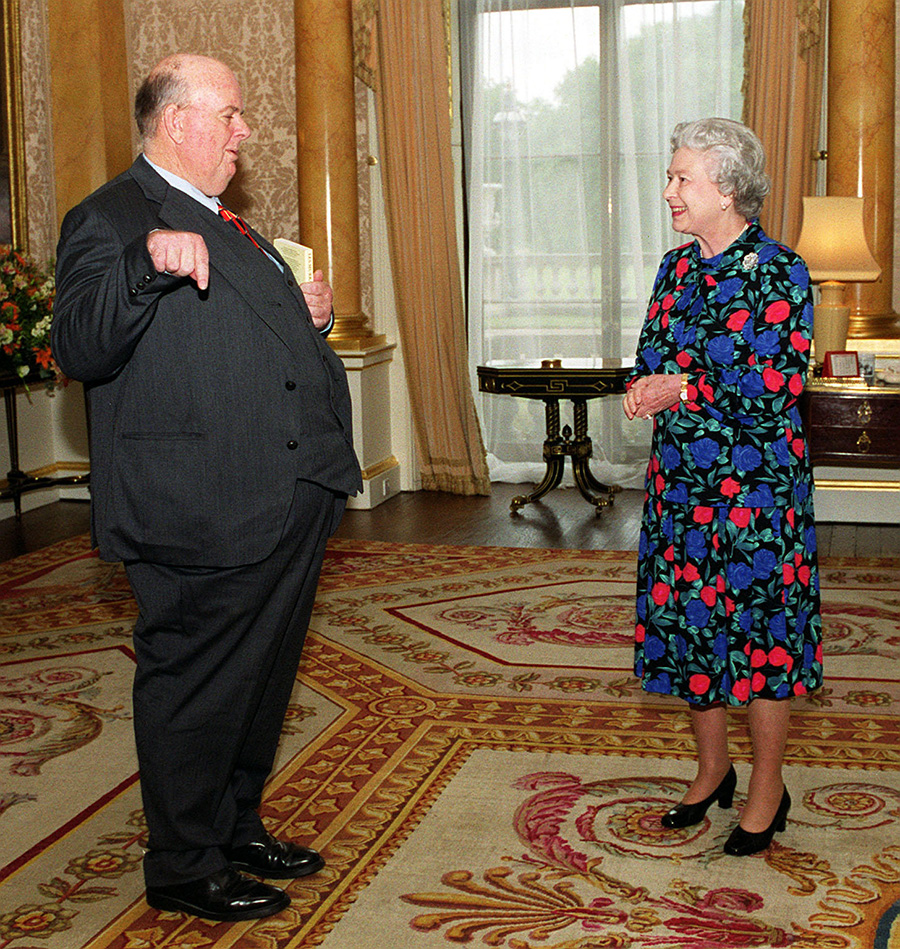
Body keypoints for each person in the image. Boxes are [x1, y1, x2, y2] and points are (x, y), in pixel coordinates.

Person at [52, 53, 362, 920]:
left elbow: (242, 331)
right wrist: (144, 264)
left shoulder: (227, 218)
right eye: (229, 114)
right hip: (199, 502)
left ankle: (233, 823)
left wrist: (312, 315)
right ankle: (184, 862)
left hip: (285, 487)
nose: (243, 131)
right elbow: (78, 343)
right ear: (178, 119)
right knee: (196, 682)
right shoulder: (113, 217)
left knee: (259, 677)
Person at [622, 117, 822, 857]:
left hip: (757, 495)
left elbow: (773, 385)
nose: (669, 191)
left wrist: (682, 387)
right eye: (671, 176)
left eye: (682, 178)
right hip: (681, 488)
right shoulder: (676, 270)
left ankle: (768, 785)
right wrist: (644, 387)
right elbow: (653, 352)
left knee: (762, 639)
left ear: (728, 188)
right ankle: (713, 769)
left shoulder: (780, 270)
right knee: (690, 629)